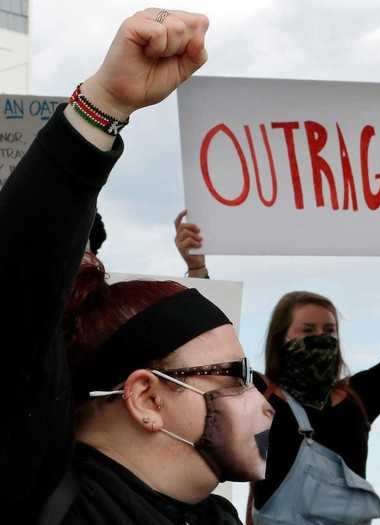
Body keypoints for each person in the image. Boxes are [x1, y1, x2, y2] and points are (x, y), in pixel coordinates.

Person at [2, 9, 274, 525]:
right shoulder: (41, 497)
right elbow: (22, 288)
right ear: (146, 397)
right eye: (234, 378)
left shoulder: (218, 518)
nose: (262, 402)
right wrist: (104, 103)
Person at [174, 212, 380, 524]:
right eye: (307, 331)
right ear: (281, 339)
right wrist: (197, 269)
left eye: (329, 331)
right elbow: (210, 348)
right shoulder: (260, 396)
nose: (321, 339)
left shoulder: (359, 398)